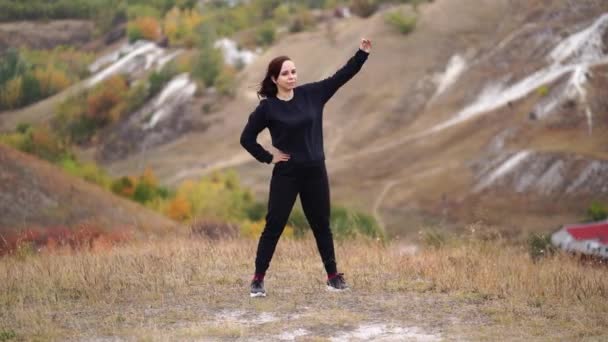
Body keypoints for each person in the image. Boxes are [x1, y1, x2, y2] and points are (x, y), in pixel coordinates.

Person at [240, 38, 372, 297]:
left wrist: (362, 54)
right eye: (285, 73)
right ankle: (257, 280)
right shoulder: (267, 108)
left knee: (321, 224)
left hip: (315, 172)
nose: (291, 76)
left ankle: (333, 277)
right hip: (287, 174)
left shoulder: (312, 93)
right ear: (275, 79)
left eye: (293, 71)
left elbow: (341, 76)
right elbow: (246, 139)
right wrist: (268, 157)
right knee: (274, 225)